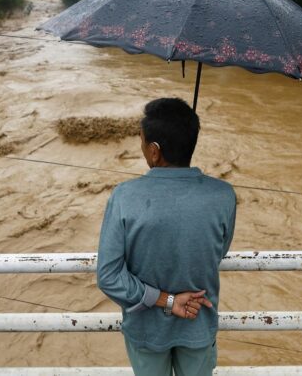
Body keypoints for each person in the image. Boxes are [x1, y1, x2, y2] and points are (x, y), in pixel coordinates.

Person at [97, 98, 237, 376]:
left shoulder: (124, 196)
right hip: (198, 322)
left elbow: (109, 277)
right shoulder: (223, 195)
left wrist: (167, 300)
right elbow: (216, 252)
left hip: (146, 331)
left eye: (142, 141)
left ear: (154, 151)